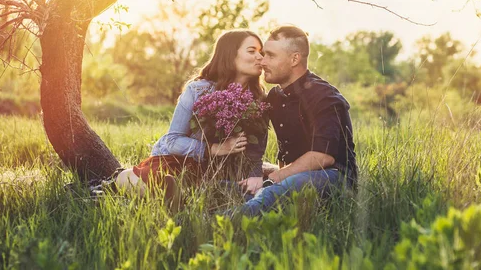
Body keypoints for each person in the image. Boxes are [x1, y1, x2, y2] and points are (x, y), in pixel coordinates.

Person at [115, 30, 268, 206]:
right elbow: (172, 140)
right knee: (125, 177)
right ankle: (172, 197)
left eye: (261, 52)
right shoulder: (198, 90)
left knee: (275, 175)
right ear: (230, 54)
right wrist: (213, 149)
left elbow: (257, 153)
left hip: (227, 172)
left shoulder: (260, 101)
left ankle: (180, 199)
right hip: (184, 162)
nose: (260, 57)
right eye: (252, 51)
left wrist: (255, 175)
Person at [237, 25, 357, 216]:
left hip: (333, 177)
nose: (262, 61)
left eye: (270, 55)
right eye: (263, 54)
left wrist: (274, 177)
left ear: (294, 59)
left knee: (273, 190)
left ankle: (217, 225)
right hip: (291, 176)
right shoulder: (274, 97)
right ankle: (190, 196)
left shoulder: (324, 96)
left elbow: (323, 156)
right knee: (243, 180)